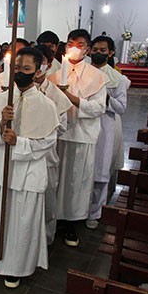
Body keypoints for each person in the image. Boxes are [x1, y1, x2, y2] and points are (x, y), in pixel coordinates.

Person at [0, 47, 60, 291]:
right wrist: (0, 124)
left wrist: (18, 141)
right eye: (17, 68)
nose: (20, 73)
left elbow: (47, 142)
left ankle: (16, 269)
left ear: (38, 71)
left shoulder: (46, 105)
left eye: (26, 69)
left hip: (28, 173)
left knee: (21, 222)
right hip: (2, 171)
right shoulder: (1, 99)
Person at [55, 30, 106, 247]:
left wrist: (72, 99)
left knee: (76, 182)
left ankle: (71, 223)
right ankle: (53, 219)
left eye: (80, 44)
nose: (74, 47)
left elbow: (98, 108)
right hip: (58, 135)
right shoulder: (54, 74)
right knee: (57, 180)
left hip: (82, 135)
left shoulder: (97, 77)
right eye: (70, 43)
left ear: (87, 49)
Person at [87, 36, 129, 229]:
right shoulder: (82, 72)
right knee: (81, 169)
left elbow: (121, 107)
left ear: (110, 53)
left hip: (104, 125)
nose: (98, 53)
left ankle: (95, 213)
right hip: (83, 124)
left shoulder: (117, 78)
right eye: (95, 49)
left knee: (99, 172)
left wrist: (104, 100)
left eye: (103, 50)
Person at [33, 45, 72, 245]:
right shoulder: (19, 90)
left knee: (47, 200)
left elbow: (63, 126)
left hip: (46, 155)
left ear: (47, 66)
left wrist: (39, 132)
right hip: (23, 157)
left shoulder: (56, 94)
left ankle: (47, 239)